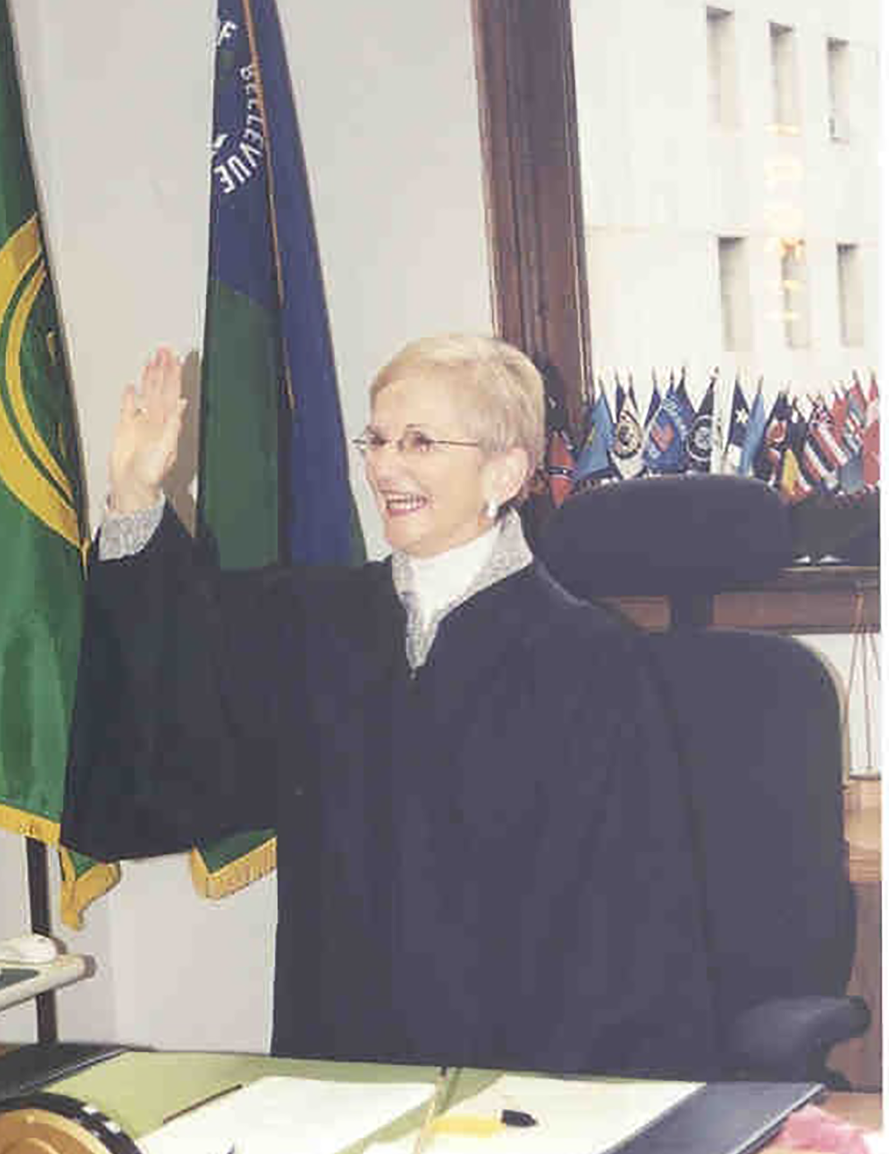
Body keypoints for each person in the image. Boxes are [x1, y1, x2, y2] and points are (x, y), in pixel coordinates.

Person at [62, 335, 721, 1077]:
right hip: (338, 1071)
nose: (383, 466)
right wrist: (134, 497)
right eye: (374, 440)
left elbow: (628, 937)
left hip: (519, 1084)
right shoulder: (317, 625)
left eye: (419, 442)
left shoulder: (587, 662)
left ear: (502, 470)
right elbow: (180, 694)